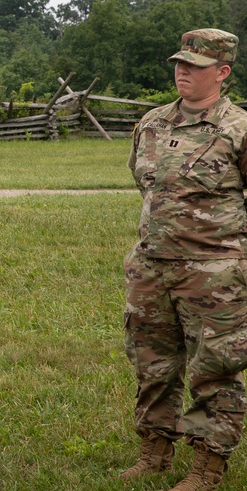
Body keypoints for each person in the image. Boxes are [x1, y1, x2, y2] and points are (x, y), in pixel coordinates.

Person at [122, 28, 247, 491]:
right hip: (151, 268)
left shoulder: (238, 129)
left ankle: (207, 466)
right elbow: (145, 184)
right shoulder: (152, 123)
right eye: (179, 63)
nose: (182, 72)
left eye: (194, 66)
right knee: (151, 363)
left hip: (214, 275)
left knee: (215, 368)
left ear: (222, 71)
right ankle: (154, 450)